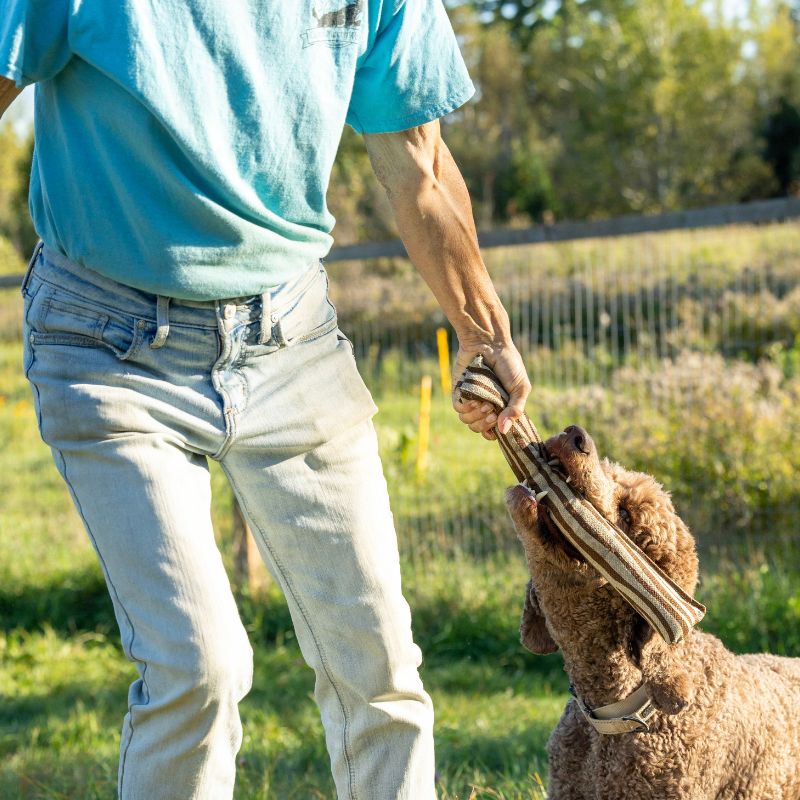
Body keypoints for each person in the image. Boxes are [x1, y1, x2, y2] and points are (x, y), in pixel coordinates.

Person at [0, 1, 530, 797]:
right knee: (198, 668)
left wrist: (484, 333)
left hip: (290, 336)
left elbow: (418, 164)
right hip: (109, 342)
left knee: (380, 666)